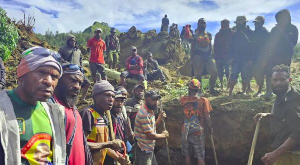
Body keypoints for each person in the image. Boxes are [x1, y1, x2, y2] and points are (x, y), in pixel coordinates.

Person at [0, 46, 66, 165]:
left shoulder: (55, 114)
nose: (49, 81)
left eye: (55, 77)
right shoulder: (2, 109)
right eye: (41, 72)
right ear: (21, 75)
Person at [253, 64, 300, 165]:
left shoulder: (291, 101)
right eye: (275, 80)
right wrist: (269, 114)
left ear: (290, 80)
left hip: (293, 155)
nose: (278, 83)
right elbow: (287, 116)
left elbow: (297, 132)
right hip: (287, 152)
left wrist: (275, 154)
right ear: (271, 81)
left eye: (282, 80)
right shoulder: (283, 94)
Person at [49, 63, 92, 165]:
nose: (77, 87)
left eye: (80, 83)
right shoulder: (50, 106)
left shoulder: (74, 109)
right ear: (58, 80)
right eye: (72, 80)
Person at [80, 81, 128, 165]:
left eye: (113, 96)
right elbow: (81, 144)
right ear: (96, 96)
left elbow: (104, 145)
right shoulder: (88, 113)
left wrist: (118, 158)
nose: (111, 99)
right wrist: (109, 143)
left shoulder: (104, 116)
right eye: (107, 95)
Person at [265, 9, 298, 99]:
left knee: (284, 74)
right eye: (278, 18)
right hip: (274, 55)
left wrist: (282, 36)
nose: (280, 20)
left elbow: (293, 43)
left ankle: (285, 93)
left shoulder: (293, 28)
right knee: (270, 73)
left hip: (286, 56)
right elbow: (269, 42)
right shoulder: (274, 29)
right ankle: (269, 92)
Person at [180, 79, 213, 165]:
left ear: (189, 88)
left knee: (187, 155)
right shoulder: (203, 100)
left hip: (185, 131)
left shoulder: (183, 99)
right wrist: (210, 127)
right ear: (199, 89)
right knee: (200, 156)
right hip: (197, 131)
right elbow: (207, 116)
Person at [134, 90, 169, 165]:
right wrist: (163, 135)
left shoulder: (150, 111)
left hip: (149, 149)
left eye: (156, 100)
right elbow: (150, 135)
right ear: (146, 100)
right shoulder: (144, 114)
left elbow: (151, 128)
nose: (155, 102)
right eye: (153, 100)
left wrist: (159, 118)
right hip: (144, 150)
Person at [59, 34, 90, 103]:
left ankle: (82, 99)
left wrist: (81, 68)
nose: (73, 42)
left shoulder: (78, 51)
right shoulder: (63, 49)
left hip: (78, 71)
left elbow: (81, 60)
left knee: (87, 83)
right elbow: (59, 58)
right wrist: (67, 64)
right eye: (71, 40)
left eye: (74, 41)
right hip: (67, 71)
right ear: (68, 41)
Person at [191, 18, 219, 95]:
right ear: (198, 24)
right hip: (198, 56)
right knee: (198, 75)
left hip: (207, 56)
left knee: (214, 72)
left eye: (204, 23)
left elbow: (210, 46)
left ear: (205, 25)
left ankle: (211, 89)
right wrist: (191, 58)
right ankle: (199, 91)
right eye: (201, 23)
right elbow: (192, 47)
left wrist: (211, 55)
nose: (202, 24)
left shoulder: (209, 34)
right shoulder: (195, 35)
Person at [228, 16, 253, 96]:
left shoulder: (250, 33)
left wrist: (250, 59)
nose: (238, 25)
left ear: (244, 23)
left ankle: (244, 91)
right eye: (237, 23)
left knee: (245, 76)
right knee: (233, 75)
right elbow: (231, 46)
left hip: (246, 58)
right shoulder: (234, 34)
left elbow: (253, 47)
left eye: (239, 23)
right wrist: (231, 57)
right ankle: (230, 92)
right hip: (236, 58)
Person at [251, 16, 270, 97]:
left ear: (262, 23)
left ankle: (261, 91)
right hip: (255, 56)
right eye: (255, 23)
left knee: (262, 73)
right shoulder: (254, 32)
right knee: (256, 73)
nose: (256, 24)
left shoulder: (265, 32)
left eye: (258, 23)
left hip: (263, 56)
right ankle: (260, 89)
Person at [111, 89, 133, 155]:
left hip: (123, 144)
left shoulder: (121, 114)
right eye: (116, 100)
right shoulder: (108, 117)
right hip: (114, 149)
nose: (119, 103)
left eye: (121, 101)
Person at [214, 19, 234, 90]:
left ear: (228, 25)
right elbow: (215, 46)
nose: (224, 26)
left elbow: (235, 45)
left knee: (228, 72)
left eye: (226, 25)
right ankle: (222, 85)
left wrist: (233, 56)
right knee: (220, 72)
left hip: (229, 57)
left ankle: (228, 86)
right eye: (223, 25)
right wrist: (216, 56)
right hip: (219, 57)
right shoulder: (218, 35)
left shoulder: (232, 34)